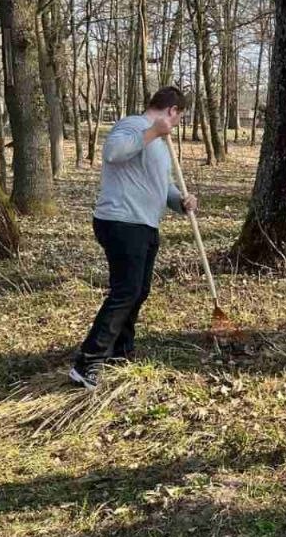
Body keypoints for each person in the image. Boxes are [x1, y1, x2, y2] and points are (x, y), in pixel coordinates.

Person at [70, 86, 197, 390]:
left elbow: (161, 186)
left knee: (138, 290)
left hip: (144, 224)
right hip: (121, 221)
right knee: (125, 291)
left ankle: (120, 351)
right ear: (172, 111)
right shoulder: (133, 125)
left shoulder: (159, 141)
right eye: (179, 117)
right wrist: (153, 131)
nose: (177, 123)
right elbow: (112, 153)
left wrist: (181, 201)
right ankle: (88, 361)